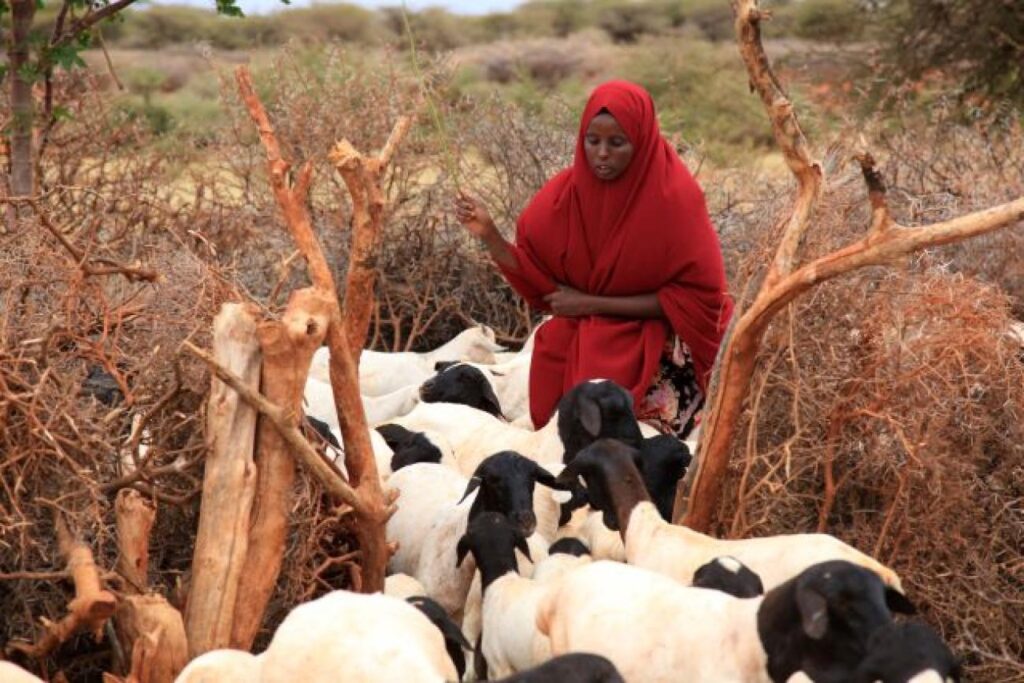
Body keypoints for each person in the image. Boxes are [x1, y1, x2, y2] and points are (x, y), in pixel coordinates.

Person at [453, 81, 733, 439]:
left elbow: (699, 299)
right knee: (556, 393)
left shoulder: (675, 199)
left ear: (642, 141)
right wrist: (490, 235)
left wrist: (591, 303)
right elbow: (544, 288)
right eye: (592, 141)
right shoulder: (564, 197)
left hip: (656, 334)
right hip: (586, 329)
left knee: (614, 422)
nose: (602, 154)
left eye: (617, 143)